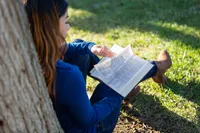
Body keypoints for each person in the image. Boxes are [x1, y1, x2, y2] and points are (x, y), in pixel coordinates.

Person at [24, 0, 172, 132]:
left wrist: (91, 47)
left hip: (66, 114)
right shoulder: (69, 74)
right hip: (93, 128)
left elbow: (66, 48)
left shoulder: (30, 50)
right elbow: (89, 119)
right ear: (52, 26)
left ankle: (151, 71)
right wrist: (118, 93)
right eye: (66, 21)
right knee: (112, 83)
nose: (69, 27)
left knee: (79, 47)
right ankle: (155, 68)